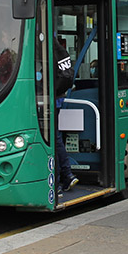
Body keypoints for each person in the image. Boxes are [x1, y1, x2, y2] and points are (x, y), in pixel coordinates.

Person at [53, 37, 79, 195]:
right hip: (58, 97)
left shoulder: (47, 48)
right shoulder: (59, 49)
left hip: (51, 99)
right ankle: (67, 174)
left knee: (53, 139)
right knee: (56, 138)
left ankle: (60, 178)